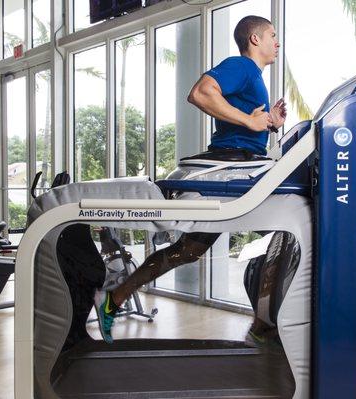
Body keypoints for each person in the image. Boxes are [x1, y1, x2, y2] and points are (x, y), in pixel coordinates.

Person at [95, 15, 287, 344]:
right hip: (230, 173)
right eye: (272, 35)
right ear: (255, 39)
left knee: (188, 251)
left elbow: (242, 125)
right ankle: (263, 325)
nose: (277, 42)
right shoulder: (242, 67)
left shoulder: (252, 78)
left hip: (240, 167)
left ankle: (115, 299)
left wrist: (269, 122)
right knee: (285, 233)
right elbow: (200, 93)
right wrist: (251, 122)